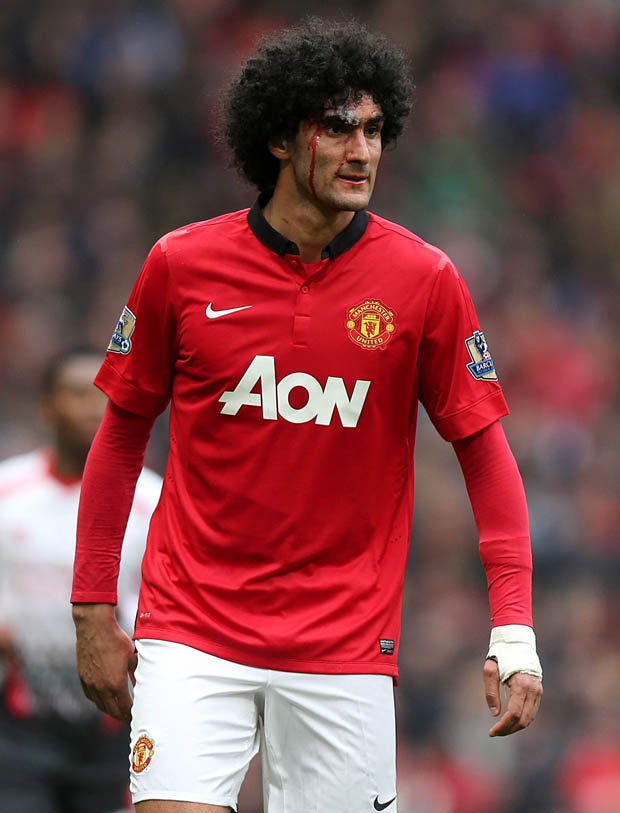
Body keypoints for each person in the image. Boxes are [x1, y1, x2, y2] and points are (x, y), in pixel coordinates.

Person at [71, 17, 543, 813]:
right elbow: (120, 437)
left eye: (374, 130)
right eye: (337, 128)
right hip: (192, 630)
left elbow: (484, 452)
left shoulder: (424, 280)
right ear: (280, 139)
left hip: (344, 647)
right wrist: (91, 610)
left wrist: (515, 628)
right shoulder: (180, 265)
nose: (362, 151)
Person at [0, 347, 162, 813]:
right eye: (77, 393)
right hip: (20, 725)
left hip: (114, 728)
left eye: (104, 396)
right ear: (47, 406)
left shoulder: (151, 500)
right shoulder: (9, 491)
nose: (94, 407)